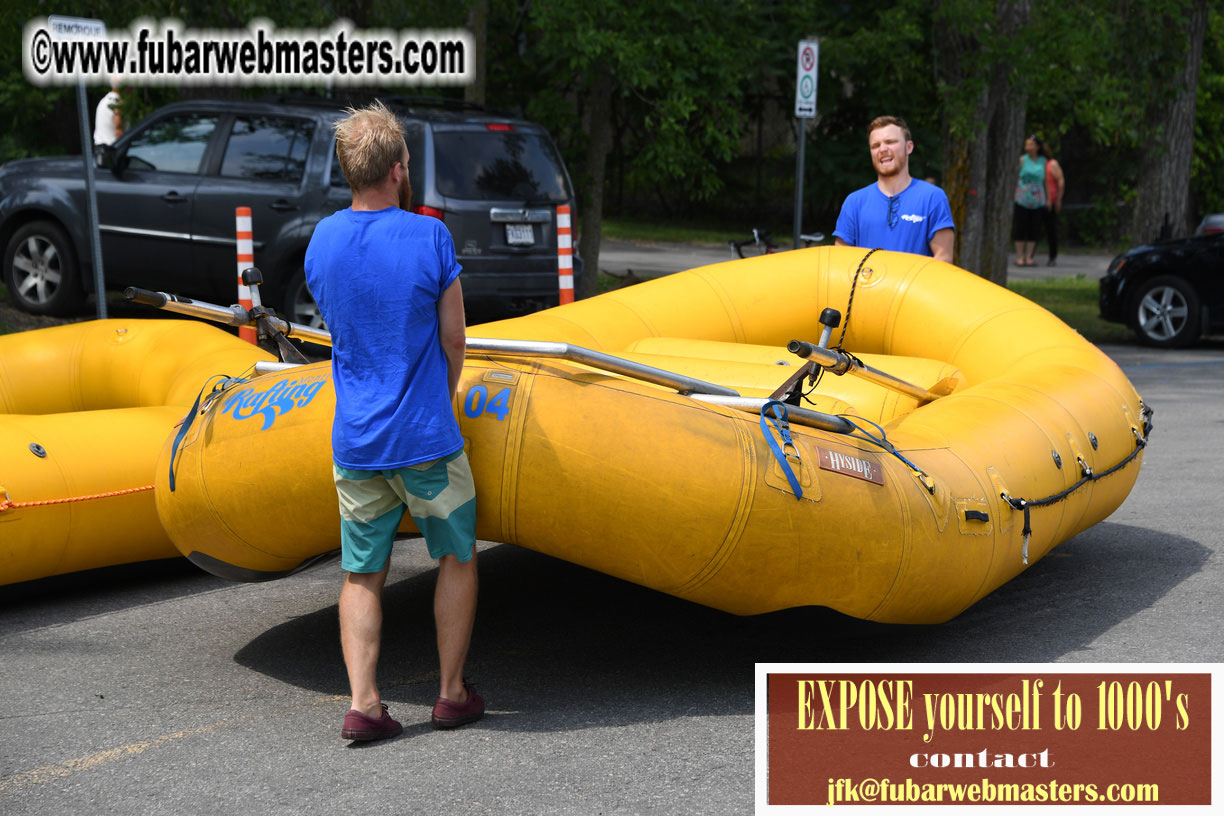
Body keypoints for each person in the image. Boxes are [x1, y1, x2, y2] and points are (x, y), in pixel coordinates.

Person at [304, 100, 483, 742]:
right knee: (457, 556)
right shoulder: (429, 236)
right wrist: (445, 394)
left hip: (356, 440)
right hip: (425, 438)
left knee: (361, 574)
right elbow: (455, 339)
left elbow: (342, 328)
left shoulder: (321, 240)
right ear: (398, 170)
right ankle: (450, 693)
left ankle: (364, 704)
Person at [834, 116, 955, 262]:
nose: (883, 149)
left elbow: (944, 259)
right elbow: (840, 263)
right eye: (875, 145)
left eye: (890, 142)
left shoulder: (932, 198)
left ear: (909, 147)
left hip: (915, 285)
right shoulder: (854, 202)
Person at [1012, 135, 1047, 266]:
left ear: (1038, 146)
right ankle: (1019, 256)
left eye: (1031, 144)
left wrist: (1048, 198)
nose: (1028, 147)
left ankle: (1029, 256)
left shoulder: (1043, 161)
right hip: (1022, 198)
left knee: (1034, 228)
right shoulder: (1022, 160)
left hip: (1038, 199)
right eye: (1027, 144)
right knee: (1021, 227)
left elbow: (1046, 181)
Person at [1041, 140, 1065, 266]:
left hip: (1051, 200)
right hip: (1036, 201)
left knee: (1051, 229)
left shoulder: (1052, 164)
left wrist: (1058, 199)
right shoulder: (1036, 164)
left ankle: (1052, 256)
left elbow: (1060, 181)